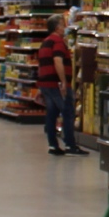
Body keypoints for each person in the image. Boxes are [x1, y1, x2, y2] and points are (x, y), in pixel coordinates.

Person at [35, 14, 82, 156]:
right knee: (68, 112)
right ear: (57, 27)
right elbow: (57, 61)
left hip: (46, 83)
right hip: (56, 84)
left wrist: (40, 85)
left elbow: (41, 65)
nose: (65, 27)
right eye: (63, 25)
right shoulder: (58, 42)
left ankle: (53, 146)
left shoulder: (45, 42)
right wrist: (63, 82)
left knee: (51, 114)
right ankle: (70, 145)